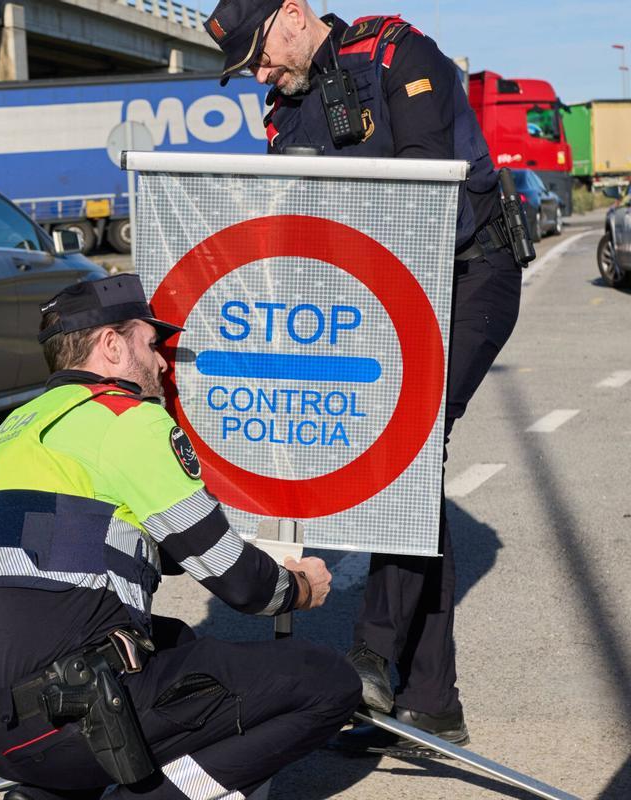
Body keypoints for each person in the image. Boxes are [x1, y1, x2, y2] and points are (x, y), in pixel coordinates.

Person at [203, 0, 523, 753]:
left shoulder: (398, 55)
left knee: (405, 451)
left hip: (469, 278)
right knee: (409, 475)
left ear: (294, 12)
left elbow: (421, 188)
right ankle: (431, 703)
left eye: (260, 53)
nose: (258, 72)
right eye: (247, 66)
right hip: (381, 297)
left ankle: (373, 656)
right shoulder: (283, 114)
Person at [0, 274, 361, 800]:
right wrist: (299, 587)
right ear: (111, 345)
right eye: (152, 345)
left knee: (176, 640)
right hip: (74, 715)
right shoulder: (124, 420)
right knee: (326, 682)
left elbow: (86, 546)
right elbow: (240, 585)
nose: (161, 364)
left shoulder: (11, 433)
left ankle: (51, 792)